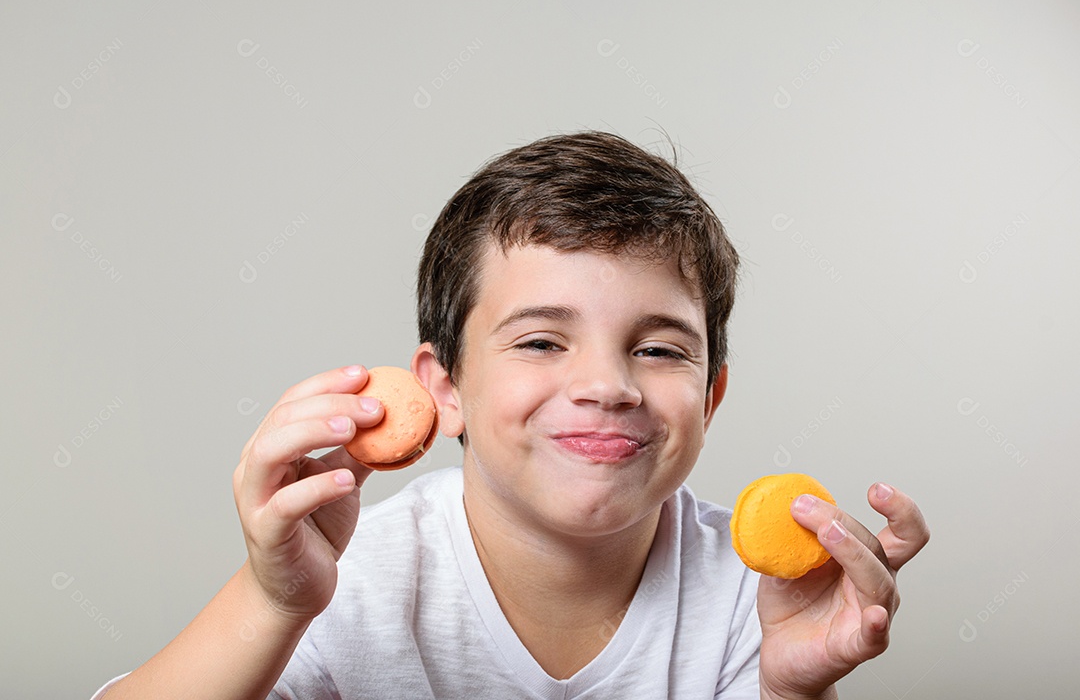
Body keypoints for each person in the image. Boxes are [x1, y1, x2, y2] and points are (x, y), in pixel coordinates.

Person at [91, 130, 929, 699]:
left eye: (661, 349)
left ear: (710, 397)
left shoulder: (762, 596)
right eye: (539, 342)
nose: (608, 385)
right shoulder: (345, 586)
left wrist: (787, 691)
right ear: (443, 388)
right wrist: (270, 602)